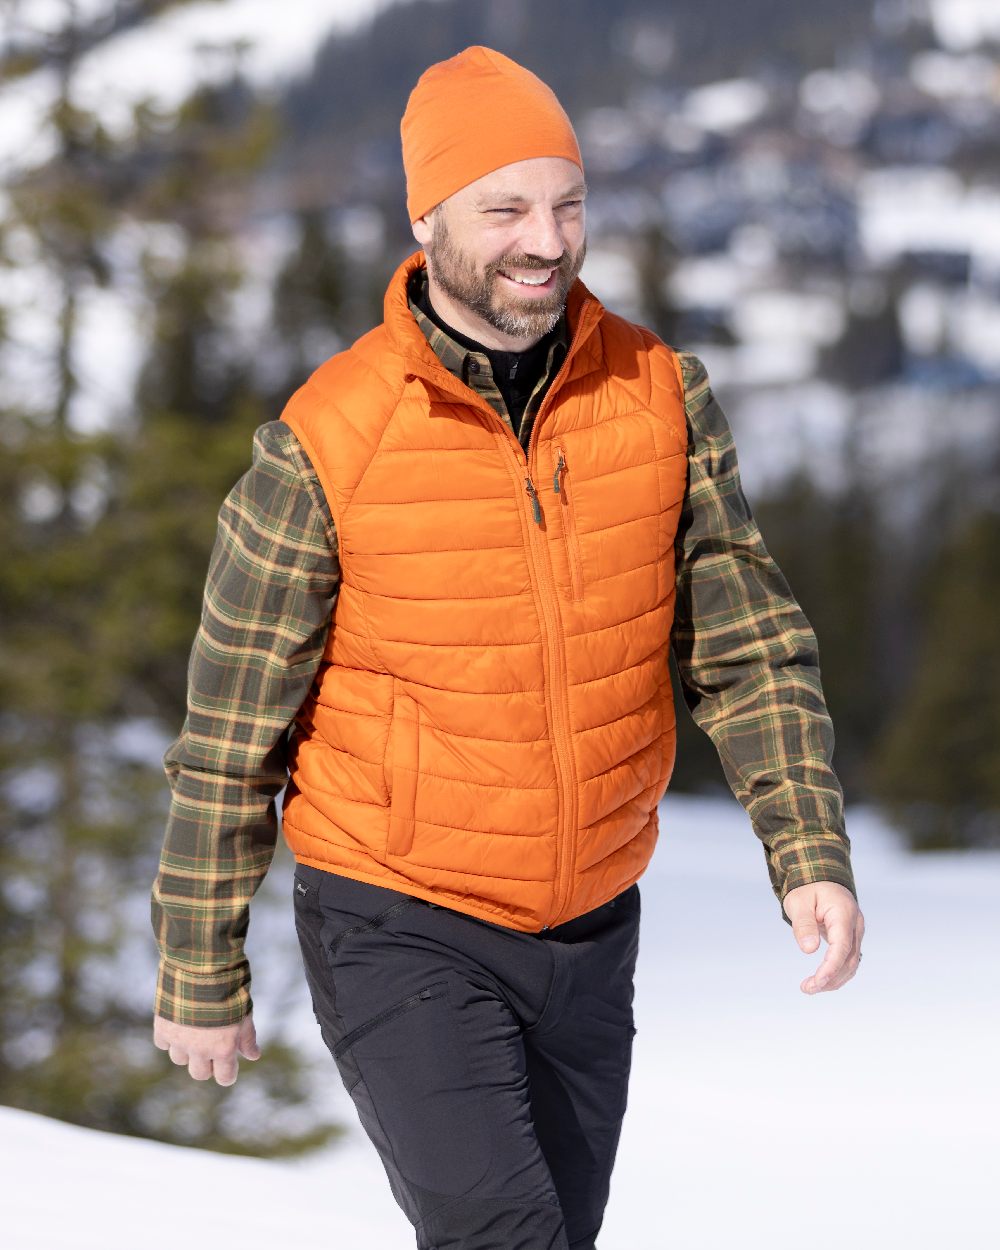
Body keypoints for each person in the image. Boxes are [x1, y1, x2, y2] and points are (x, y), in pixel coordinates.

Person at [151, 46, 864, 1250]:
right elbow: (230, 728)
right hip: (399, 915)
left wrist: (808, 850)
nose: (546, 239)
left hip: (590, 924)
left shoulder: (658, 394)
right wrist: (196, 963)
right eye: (506, 209)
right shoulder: (329, 439)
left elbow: (745, 644)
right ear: (425, 218)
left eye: (567, 203)